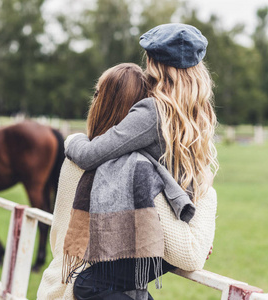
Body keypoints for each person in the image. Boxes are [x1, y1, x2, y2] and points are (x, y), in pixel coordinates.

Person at [37, 23, 217, 300]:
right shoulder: (197, 115)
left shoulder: (152, 111)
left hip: (108, 265)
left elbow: (89, 155)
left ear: (154, 63)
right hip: (168, 228)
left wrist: (71, 140)